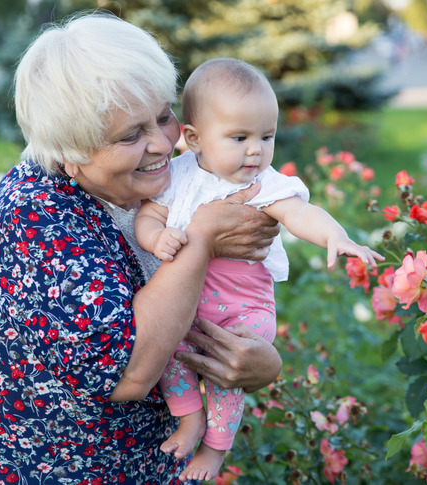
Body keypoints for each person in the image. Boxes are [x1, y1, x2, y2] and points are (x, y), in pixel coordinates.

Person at [0, 14, 283, 485]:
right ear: (70, 149)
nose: (164, 142)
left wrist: (258, 360)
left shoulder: (154, 184)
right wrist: (200, 240)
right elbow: (131, 373)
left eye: (164, 115)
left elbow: (211, 307)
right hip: (11, 467)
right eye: (130, 135)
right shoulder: (34, 220)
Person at [135, 58, 384, 482]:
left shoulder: (265, 183)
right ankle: (189, 420)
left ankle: (216, 449)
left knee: (227, 374)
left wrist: (335, 236)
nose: (256, 150)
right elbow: (148, 216)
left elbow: (300, 213)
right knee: (171, 357)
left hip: (243, 307)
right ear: (193, 138)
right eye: (239, 137)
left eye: (266, 136)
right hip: (186, 305)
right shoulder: (176, 175)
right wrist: (156, 237)